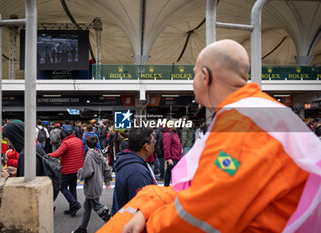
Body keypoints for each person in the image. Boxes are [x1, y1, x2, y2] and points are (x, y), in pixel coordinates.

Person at [97, 39, 321, 233]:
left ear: (206, 76)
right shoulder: (261, 113)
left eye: (193, 74)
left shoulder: (242, 124)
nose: (192, 82)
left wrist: (147, 221)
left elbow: (202, 215)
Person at [72, 135, 112, 233]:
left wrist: (80, 172)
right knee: (87, 206)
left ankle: (111, 221)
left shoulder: (89, 155)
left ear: (86, 144)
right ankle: (83, 228)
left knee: (96, 206)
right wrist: (107, 181)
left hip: (91, 186)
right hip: (97, 184)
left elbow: (88, 171)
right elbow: (107, 168)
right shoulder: (98, 153)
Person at [113, 127, 157, 214]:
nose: (154, 145)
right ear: (146, 146)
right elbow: (142, 209)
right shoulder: (137, 173)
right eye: (153, 142)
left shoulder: (128, 162)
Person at [49, 125, 85, 216]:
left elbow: (57, 154)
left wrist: (45, 155)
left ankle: (74, 204)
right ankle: (73, 208)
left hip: (67, 169)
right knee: (73, 187)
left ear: (63, 134)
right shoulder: (79, 141)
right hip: (78, 169)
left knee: (62, 187)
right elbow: (83, 153)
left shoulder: (66, 143)